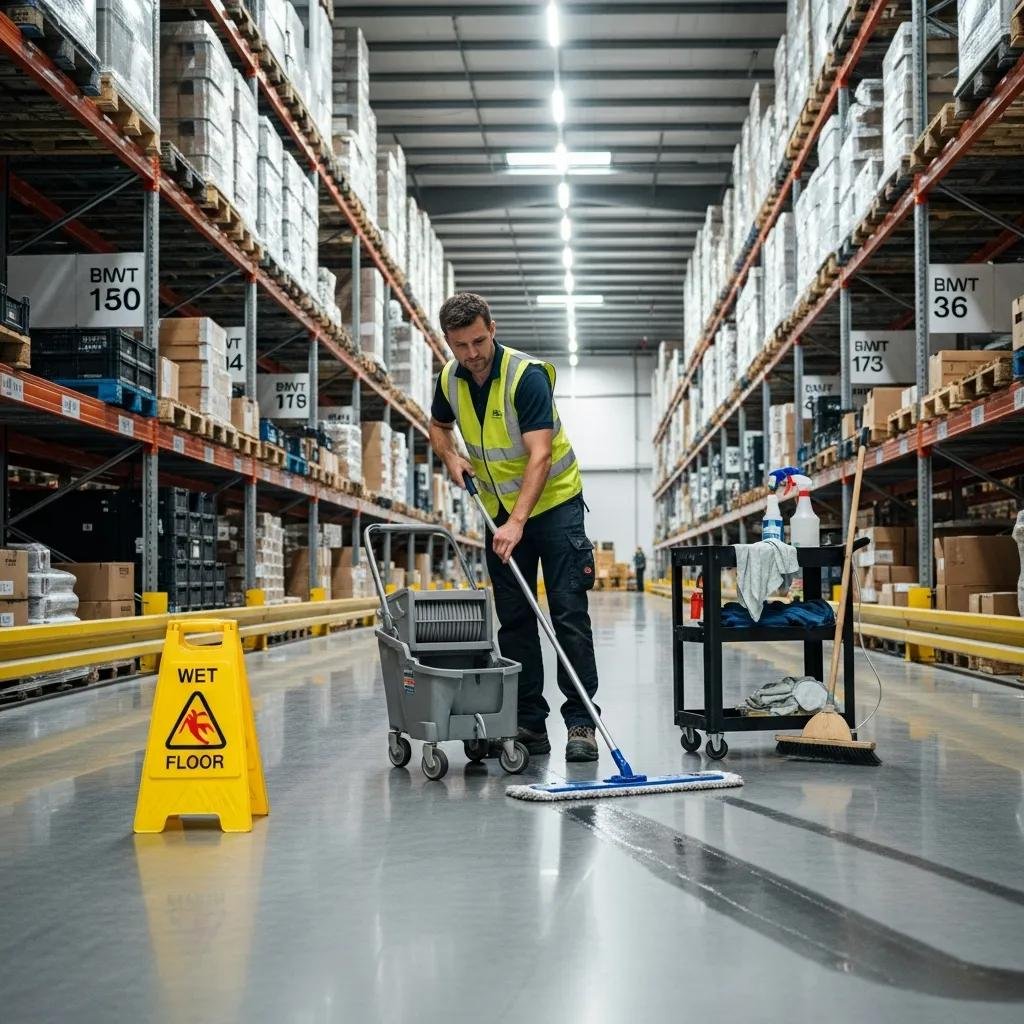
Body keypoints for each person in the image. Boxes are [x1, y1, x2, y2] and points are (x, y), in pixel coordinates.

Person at [428, 292, 601, 762]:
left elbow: (540, 455)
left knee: (567, 614)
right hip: (499, 511)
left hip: (554, 506)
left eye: (479, 341)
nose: (472, 354)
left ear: (493, 328)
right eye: (460, 345)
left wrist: (517, 522)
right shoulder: (449, 379)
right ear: (448, 342)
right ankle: (530, 724)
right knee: (517, 621)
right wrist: (450, 456)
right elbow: (438, 426)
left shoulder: (525, 377)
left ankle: (581, 722)